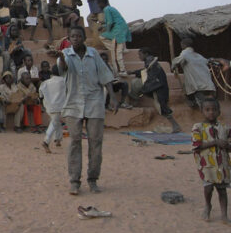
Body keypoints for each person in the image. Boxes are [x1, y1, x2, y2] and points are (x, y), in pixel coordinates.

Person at [59, 25, 116, 195]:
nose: (75, 39)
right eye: (72, 36)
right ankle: (74, 181)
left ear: (84, 38)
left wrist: (112, 96)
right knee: (75, 142)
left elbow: (105, 76)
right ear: (69, 39)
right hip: (73, 104)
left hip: (94, 103)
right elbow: (63, 68)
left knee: (95, 143)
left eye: (78, 36)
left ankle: (93, 179)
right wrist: (60, 58)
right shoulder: (66, 55)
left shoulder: (94, 55)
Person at [191, 98, 229, 223]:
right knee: (208, 188)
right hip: (206, 165)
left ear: (219, 112)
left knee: (222, 190)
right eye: (207, 110)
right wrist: (215, 142)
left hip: (221, 165)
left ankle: (224, 215)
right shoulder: (198, 127)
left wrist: (227, 146)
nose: (211, 112)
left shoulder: (224, 128)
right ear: (202, 111)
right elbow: (197, 146)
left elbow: (228, 146)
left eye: (214, 110)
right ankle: (208, 205)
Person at [128, 47, 180, 133]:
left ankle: (175, 125)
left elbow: (153, 78)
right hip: (158, 86)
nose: (139, 56)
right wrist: (133, 72)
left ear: (146, 54)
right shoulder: (150, 62)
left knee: (162, 106)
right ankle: (175, 125)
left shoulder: (152, 64)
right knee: (162, 106)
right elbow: (145, 71)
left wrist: (145, 89)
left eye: (140, 54)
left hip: (158, 87)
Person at [171, 38, 216, 108]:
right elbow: (207, 61)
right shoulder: (199, 56)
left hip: (196, 85)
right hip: (207, 83)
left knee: (202, 103)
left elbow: (176, 61)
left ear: (184, 45)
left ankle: (198, 110)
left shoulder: (185, 53)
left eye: (181, 45)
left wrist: (173, 66)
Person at [97, 0, 131, 76]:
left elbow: (110, 22)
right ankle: (120, 47)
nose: (98, 6)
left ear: (102, 3)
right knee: (102, 37)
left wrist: (107, 30)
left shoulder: (106, 9)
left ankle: (122, 70)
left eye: (99, 4)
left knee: (116, 53)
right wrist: (103, 26)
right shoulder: (111, 8)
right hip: (121, 29)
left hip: (117, 31)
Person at [40, 65, 66, 153]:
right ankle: (46, 141)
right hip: (58, 106)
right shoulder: (64, 81)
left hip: (48, 105)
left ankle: (58, 139)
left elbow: (40, 93)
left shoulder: (46, 82)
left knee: (56, 121)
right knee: (54, 122)